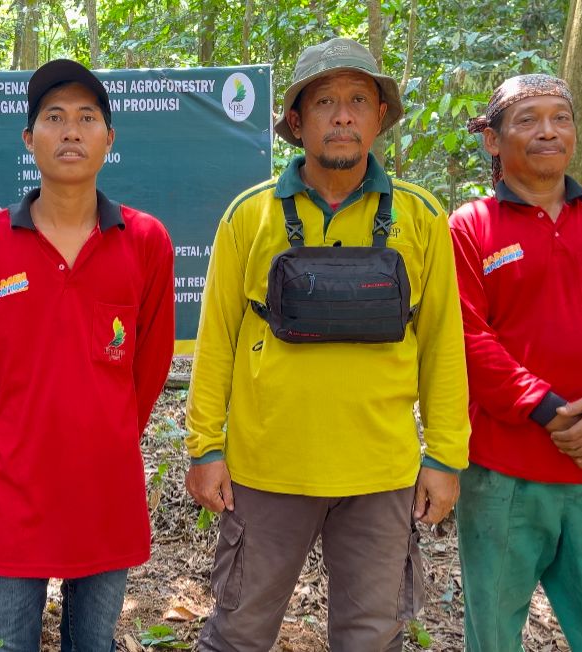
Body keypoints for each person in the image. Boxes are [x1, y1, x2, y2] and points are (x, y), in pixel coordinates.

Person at [185, 37, 470, 651]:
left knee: (371, 637)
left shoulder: (420, 217)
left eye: (358, 100)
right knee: (237, 632)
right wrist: (205, 446)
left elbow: (444, 343)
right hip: (267, 472)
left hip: (381, 473)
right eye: (325, 102)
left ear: (379, 118)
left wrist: (446, 456)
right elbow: (218, 340)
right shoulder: (250, 215)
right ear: (297, 119)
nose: (342, 115)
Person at [0, 59, 175, 651]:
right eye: (54, 117)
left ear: (109, 139)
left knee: (92, 644)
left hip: (105, 493)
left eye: (87, 118)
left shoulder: (145, 241)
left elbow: (148, 369)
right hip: (11, 498)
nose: (71, 131)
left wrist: (106, 433)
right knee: (8, 642)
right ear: (29, 138)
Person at [450, 73, 582, 651]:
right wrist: (545, 409)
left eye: (560, 117)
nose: (548, 131)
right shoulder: (470, 226)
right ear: (492, 140)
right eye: (528, 119)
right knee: (493, 636)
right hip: (502, 472)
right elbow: (466, 337)